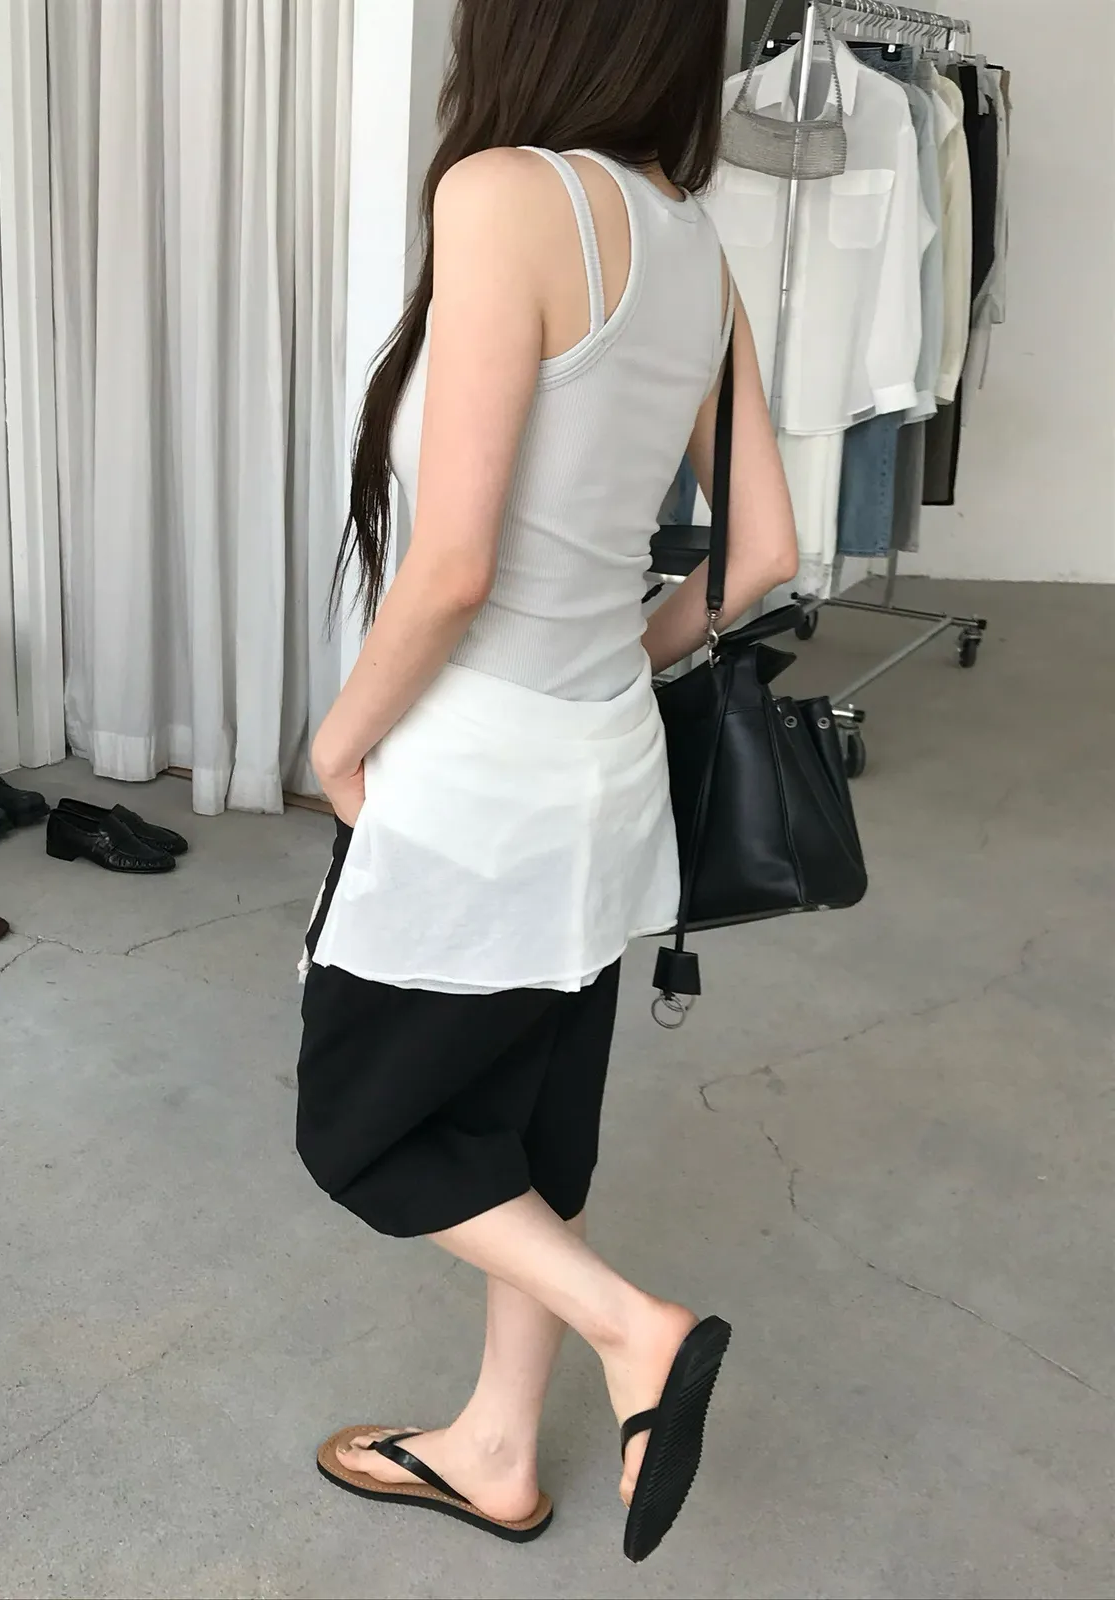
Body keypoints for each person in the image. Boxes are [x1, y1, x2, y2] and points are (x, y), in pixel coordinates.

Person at [296, 0, 798, 1564]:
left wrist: (335, 742)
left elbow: (450, 568)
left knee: (363, 1128)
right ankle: (498, 1451)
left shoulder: (505, 193)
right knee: (526, 1129)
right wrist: (614, 654)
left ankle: (635, 1330)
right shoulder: (693, 241)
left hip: (479, 774)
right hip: (604, 766)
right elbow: (767, 552)